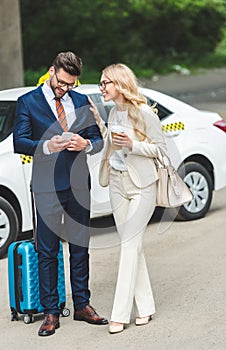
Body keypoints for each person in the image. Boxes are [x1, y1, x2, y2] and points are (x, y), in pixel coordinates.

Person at [13, 51, 108, 337]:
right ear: (52, 70)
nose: (65, 89)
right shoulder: (27, 102)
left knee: (80, 248)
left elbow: (99, 140)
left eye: (71, 84)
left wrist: (85, 144)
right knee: (48, 251)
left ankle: (82, 305)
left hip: (79, 186)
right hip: (46, 187)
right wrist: (46, 145)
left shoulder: (81, 101)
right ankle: (51, 312)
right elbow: (20, 141)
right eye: (62, 82)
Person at [88, 63, 168, 334]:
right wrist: (100, 123)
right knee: (131, 246)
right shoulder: (113, 112)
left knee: (128, 246)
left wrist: (134, 146)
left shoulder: (144, 113)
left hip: (142, 186)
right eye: (101, 84)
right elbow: (112, 142)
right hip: (118, 185)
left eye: (105, 83)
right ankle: (145, 307)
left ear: (120, 84)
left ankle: (119, 315)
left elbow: (161, 151)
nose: (102, 88)